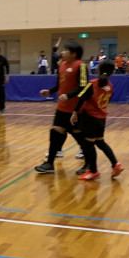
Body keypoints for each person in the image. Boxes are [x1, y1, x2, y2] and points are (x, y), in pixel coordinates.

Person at [35, 41, 88, 174]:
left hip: (76, 109)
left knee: (80, 137)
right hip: (62, 108)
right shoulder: (62, 65)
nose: (62, 52)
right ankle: (49, 164)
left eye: (65, 50)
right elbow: (60, 84)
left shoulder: (81, 66)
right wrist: (49, 91)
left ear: (73, 53)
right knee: (55, 133)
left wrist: (68, 96)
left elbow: (83, 87)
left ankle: (89, 164)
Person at [69, 60, 124, 180]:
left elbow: (81, 98)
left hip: (90, 118)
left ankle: (93, 171)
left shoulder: (92, 83)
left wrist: (75, 112)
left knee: (88, 144)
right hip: (101, 118)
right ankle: (116, 164)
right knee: (100, 142)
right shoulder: (110, 86)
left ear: (98, 69)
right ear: (112, 73)